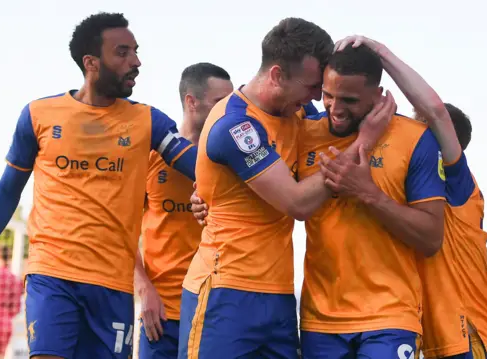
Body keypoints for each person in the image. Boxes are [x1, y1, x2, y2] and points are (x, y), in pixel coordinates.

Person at [0, 12, 197, 359]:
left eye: (135, 51)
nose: (136, 61)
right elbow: (7, 191)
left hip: (113, 287)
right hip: (52, 274)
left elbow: (197, 165)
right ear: (91, 62)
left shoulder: (149, 121)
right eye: (123, 52)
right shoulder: (38, 115)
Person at [190, 36, 448, 359]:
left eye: (350, 100)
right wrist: (205, 194)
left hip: (390, 317)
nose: (335, 109)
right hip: (318, 322)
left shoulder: (414, 139)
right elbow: (266, 181)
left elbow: (431, 238)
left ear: (379, 95)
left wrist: (371, 195)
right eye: (326, 95)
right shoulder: (304, 128)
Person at [136, 62, 233, 358]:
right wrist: (144, 289)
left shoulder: (231, 162)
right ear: (191, 102)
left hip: (215, 311)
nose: (229, 111)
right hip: (161, 313)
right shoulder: (150, 158)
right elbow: (118, 230)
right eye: (220, 103)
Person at [415, 103, 487, 359]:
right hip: (442, 344)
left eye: (418, 129)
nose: (408, 135)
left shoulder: (456, 183)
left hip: (471, 340)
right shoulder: (419, 190)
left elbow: (435, 112)